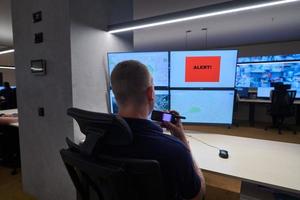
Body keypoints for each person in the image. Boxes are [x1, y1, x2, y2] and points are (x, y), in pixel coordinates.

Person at [101, 60, 206, 200]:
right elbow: (197, 195)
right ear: (150, 93)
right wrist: (182, 141)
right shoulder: (175, 150)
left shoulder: (97, 139)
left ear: (115, 93)